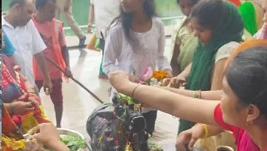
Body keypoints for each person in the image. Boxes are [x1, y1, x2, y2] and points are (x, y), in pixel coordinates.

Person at [109, 40, 267, 151]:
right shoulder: (247, 122)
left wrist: (128, 87)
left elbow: (177, 104)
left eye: (224, 92)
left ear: (251, 111)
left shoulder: (244, 122)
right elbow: (176, 104)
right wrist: (133, 88)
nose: (219, 98)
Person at [103, 0, 171, 136]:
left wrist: (166, 71)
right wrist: (125, 77)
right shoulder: (118, 29)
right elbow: (107, 64)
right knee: (123, 140)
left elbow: (160, 57)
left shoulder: (157, 25)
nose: (123, 0)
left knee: (146, 138)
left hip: (149, 98)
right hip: (124, 99)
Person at [173, 0, 244, 139]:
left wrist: (175, 95)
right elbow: (197, 61)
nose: (195, 34)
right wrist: (184, 75)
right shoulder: (209, 44)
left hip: (209, 129)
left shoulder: (226, 51)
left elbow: (215, 99)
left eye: (201, 30)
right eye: (193, 28)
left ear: (220, 28)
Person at [32, 0, 71, 128]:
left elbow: (64, 47)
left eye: (54, 10)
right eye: (50, 10)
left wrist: (67, 67)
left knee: (58, 100)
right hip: (35, 73)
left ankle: (59, 126)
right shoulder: (28, 24)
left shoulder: (57, 25)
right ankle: (35, 126)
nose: (53, 14)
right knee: (32, 100)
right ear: (40, 8)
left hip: (54, 71)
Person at [2, 0, 53, 93]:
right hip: (11, 90)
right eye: (29, 12)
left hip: (30, 85)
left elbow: (38, 53)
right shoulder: (1, 29)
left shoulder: (29, 25)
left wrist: (47, 79)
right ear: (17, 8)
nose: (31, 16)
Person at [88, 0, 120, 79]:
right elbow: (92, 5)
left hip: (115, 29)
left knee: (116, 54)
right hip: (101, 29)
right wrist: (90, 22)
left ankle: (113, 74)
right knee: (105, 51)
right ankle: (105, 72)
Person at [170, 0, 205, 76]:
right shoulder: (180, 28)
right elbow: (174, 61)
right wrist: (177, 79)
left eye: (191, 5)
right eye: (182, 6)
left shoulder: (212, 26)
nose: (187, 10)